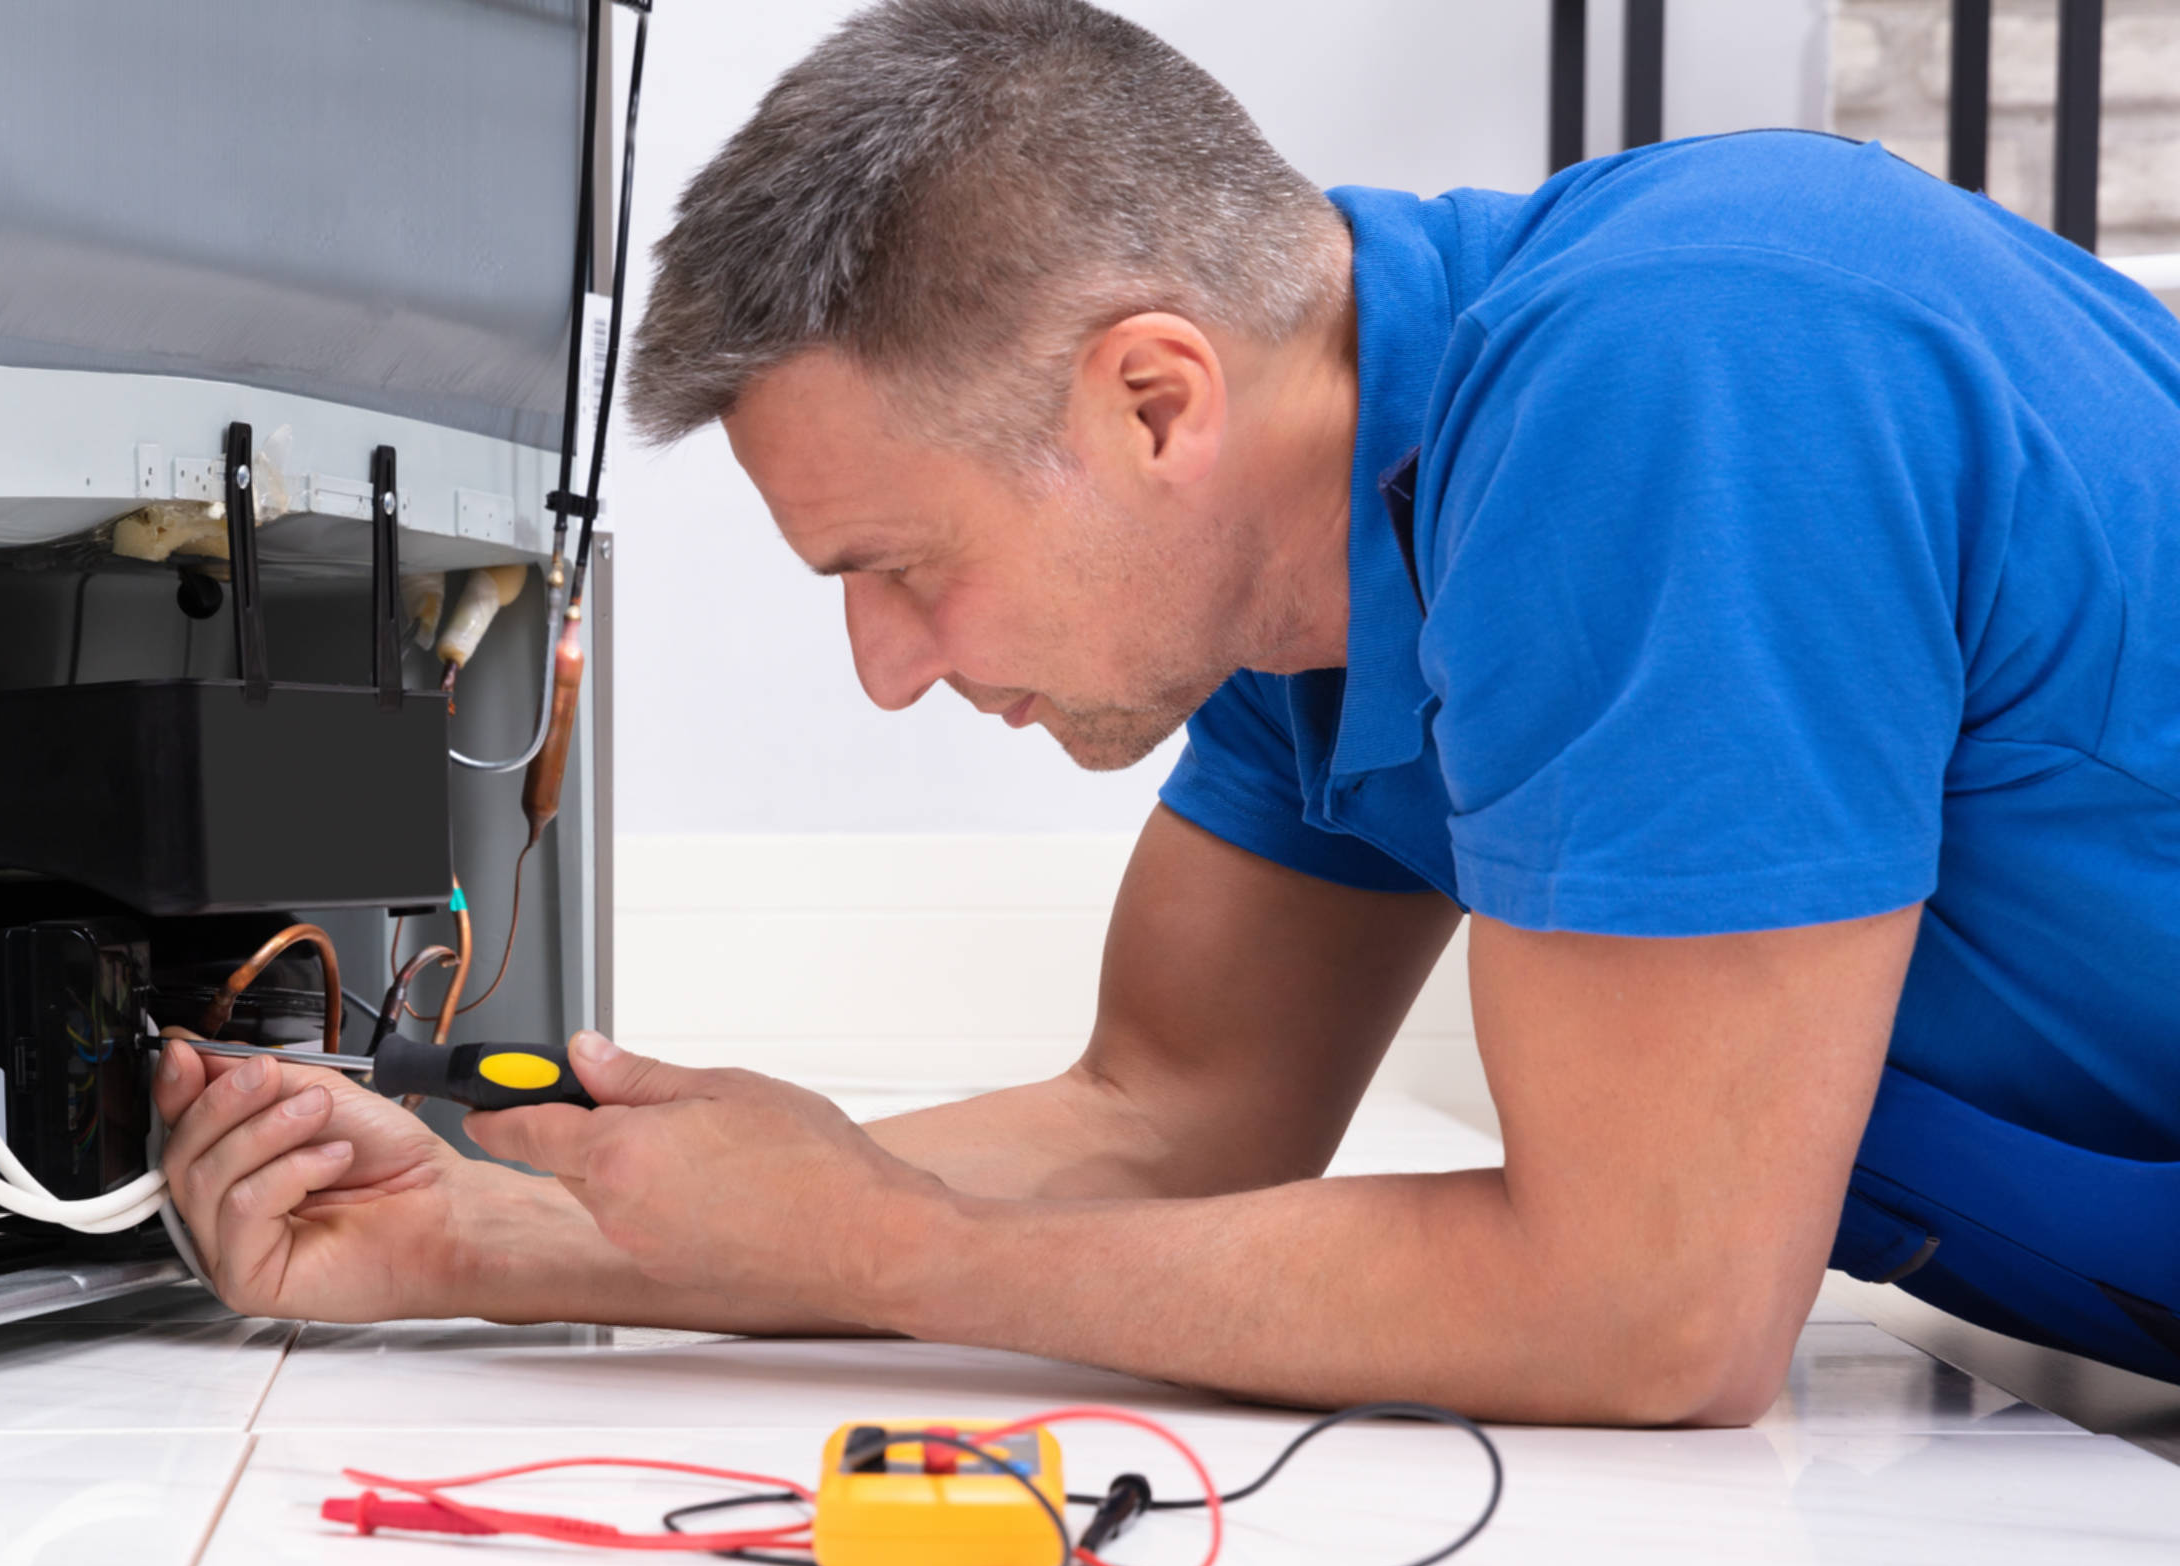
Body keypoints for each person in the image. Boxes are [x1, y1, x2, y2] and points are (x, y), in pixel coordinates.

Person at [152, 0, 2180, 1423]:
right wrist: (477, 1241)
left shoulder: (1686, 368)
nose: (887, 667)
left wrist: (887, 1260)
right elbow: (1160, 1126)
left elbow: (1649, 1313)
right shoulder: (1327, 593)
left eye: (899, 567)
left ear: (1152, 400)